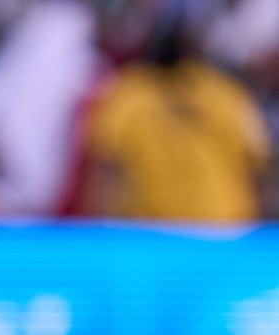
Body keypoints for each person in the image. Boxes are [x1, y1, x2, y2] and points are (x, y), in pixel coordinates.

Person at [78, 0, 272, 222]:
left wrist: (98, 232)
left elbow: (100, 175)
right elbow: (258, 171)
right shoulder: (228, 96)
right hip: (218, 232)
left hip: (157, 235)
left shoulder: (127, 93)